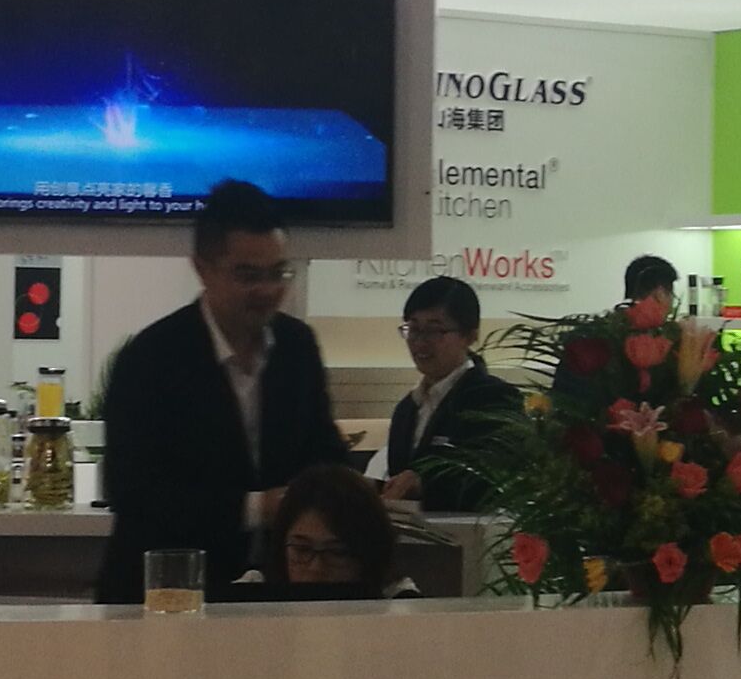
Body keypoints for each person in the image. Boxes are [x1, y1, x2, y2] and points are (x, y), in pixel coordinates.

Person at [98, 177, 349, 604]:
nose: (267, 291)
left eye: (278, 273)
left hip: (274, 592)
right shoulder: (152, 357)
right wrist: (256, 507)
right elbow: (132, 491)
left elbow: (323, 451)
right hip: (167, 594)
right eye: (248, 275)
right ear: (203, 268)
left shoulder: (297, 347)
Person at [382, 273, 518, 509]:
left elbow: (494, 480)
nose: (420, 341)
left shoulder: (495, 399)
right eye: (413, 329)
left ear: (470, 336)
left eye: (434, 331)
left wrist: (424, 484)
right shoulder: (406, 409)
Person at [237, 461, 403, 601]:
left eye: (337, 552)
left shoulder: (399, 603)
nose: (316, 568)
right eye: (302, 549)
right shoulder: (249, 594)